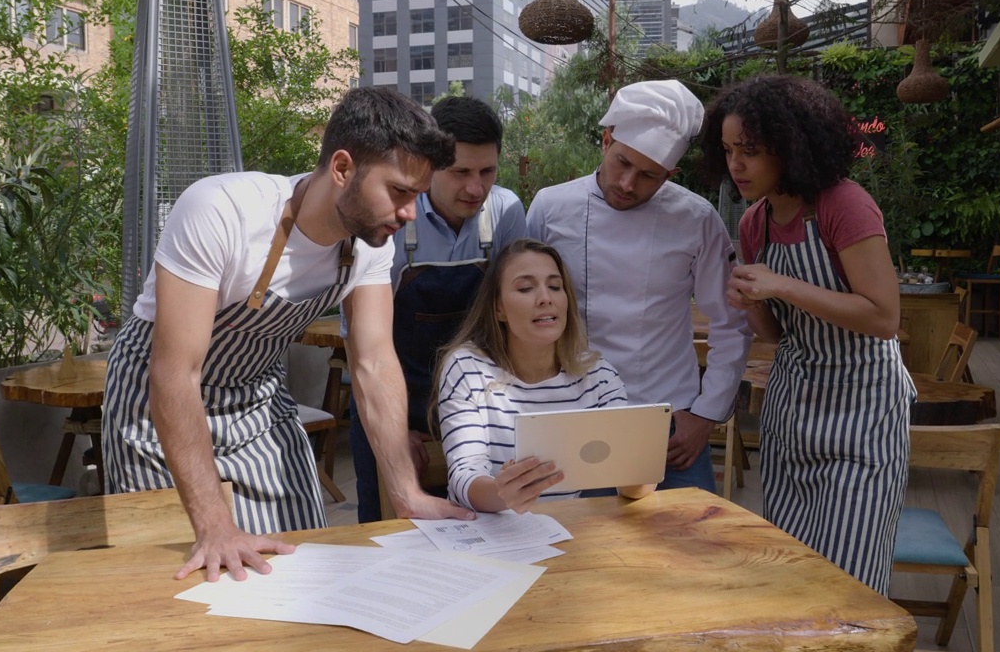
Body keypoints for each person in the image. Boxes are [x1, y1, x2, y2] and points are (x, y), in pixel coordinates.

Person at [102, 87, 474, 584]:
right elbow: (175, 370)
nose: (409, 213)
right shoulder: (221, 211)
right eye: (400, 192)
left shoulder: (370, 243)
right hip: (154, 406)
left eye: (417, 197)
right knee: (195, 578)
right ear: (342, 168)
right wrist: (215, 526)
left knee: (307, 563)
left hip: (256, 398)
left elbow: (374, 363)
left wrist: (406, 492)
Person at [698, 74, 912, 594]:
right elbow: (774, 333)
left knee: (849, 582)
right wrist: (750, 302)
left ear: (791, 144)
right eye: (728, 151)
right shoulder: (756, 224)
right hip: (793, 408)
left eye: (749, 150)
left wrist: (782, 285)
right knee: (792, 570)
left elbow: (884, 317)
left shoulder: (844, 204)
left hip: (864, 409)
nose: (736, 165)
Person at [527, 80, 752, 494]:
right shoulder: (550, 207)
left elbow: (730, 323)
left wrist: (705, 415)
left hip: (666, 422)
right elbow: (523, 313)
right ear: (606, 140)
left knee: (686, 546)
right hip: (571, 410)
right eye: (622, 163)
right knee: (577, 549)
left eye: (650, 175)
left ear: (671, 173)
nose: (629, 184)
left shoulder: (697, 219)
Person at [348, 96, 527, 523]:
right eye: (460, 172)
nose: (475, 188)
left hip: (477, 405)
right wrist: (392, 432)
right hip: (392, 396)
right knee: (386, 533)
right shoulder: (390, 218)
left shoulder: (505, 212)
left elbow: (516, 326)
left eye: (487, 172)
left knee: (488, 529)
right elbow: (361, 345)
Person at [436, 239, 649, 512]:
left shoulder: (596, 373)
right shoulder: (465, 367)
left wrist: (640, 470)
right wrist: (504, 494)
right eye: (525, 288)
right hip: (482, 536)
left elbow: (633, 482)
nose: (545, 298)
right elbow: (464, 476)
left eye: (555, 286)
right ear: (498, 308)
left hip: (562, 535)